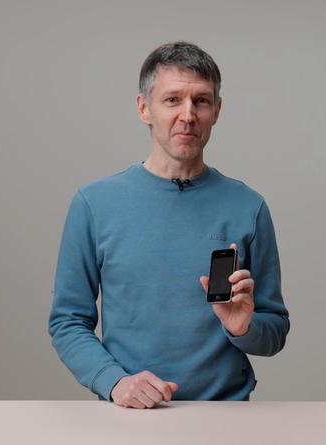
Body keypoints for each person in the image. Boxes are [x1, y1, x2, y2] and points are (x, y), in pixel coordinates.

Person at [48, 41, 290, 409]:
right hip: (130, 413)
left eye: (201, 101)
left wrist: (243, 327)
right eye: (172, 100)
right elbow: (67, 322)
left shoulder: (248, 207)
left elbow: (274, 332)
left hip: (226, 414)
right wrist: (114, 381)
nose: (188, 115)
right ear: (144, 108)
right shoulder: (94, 204)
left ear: (217, 110)